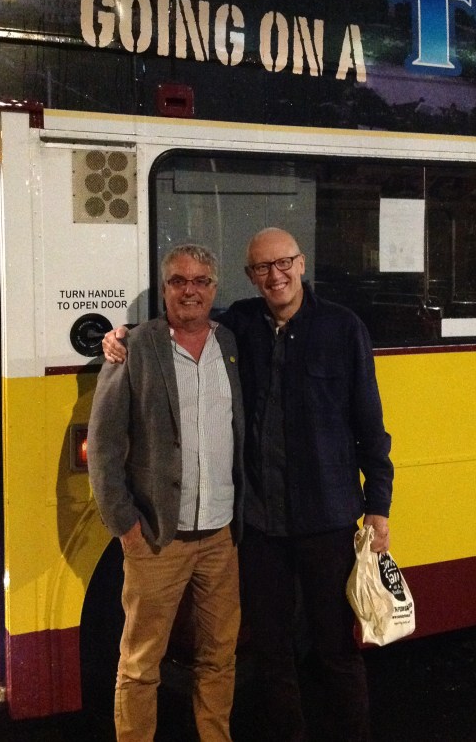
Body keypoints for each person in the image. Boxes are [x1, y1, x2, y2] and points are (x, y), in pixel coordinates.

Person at [103, 228, 393, 742]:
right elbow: (183, 323)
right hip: (258, 529)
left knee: (335, 649)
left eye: (283, 263)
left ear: (300, 264)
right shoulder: (237, 326)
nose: (274, 275)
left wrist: (379, 506)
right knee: (270, 653)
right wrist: (118, 336)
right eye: (262, 267)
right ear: (250, 277)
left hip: (324, 520)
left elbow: (371, 425)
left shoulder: (340, 328)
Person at [88, 243, 245, 742]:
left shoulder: (231, 345)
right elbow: (104, 447)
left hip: (220, 538)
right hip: (158, 540)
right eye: (179, 280)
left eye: (201, 281)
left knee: (219, 658)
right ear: (165, 288)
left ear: (214, 288)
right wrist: (127, 527)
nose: (190, 290)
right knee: (140, 664)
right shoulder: (134, 346)